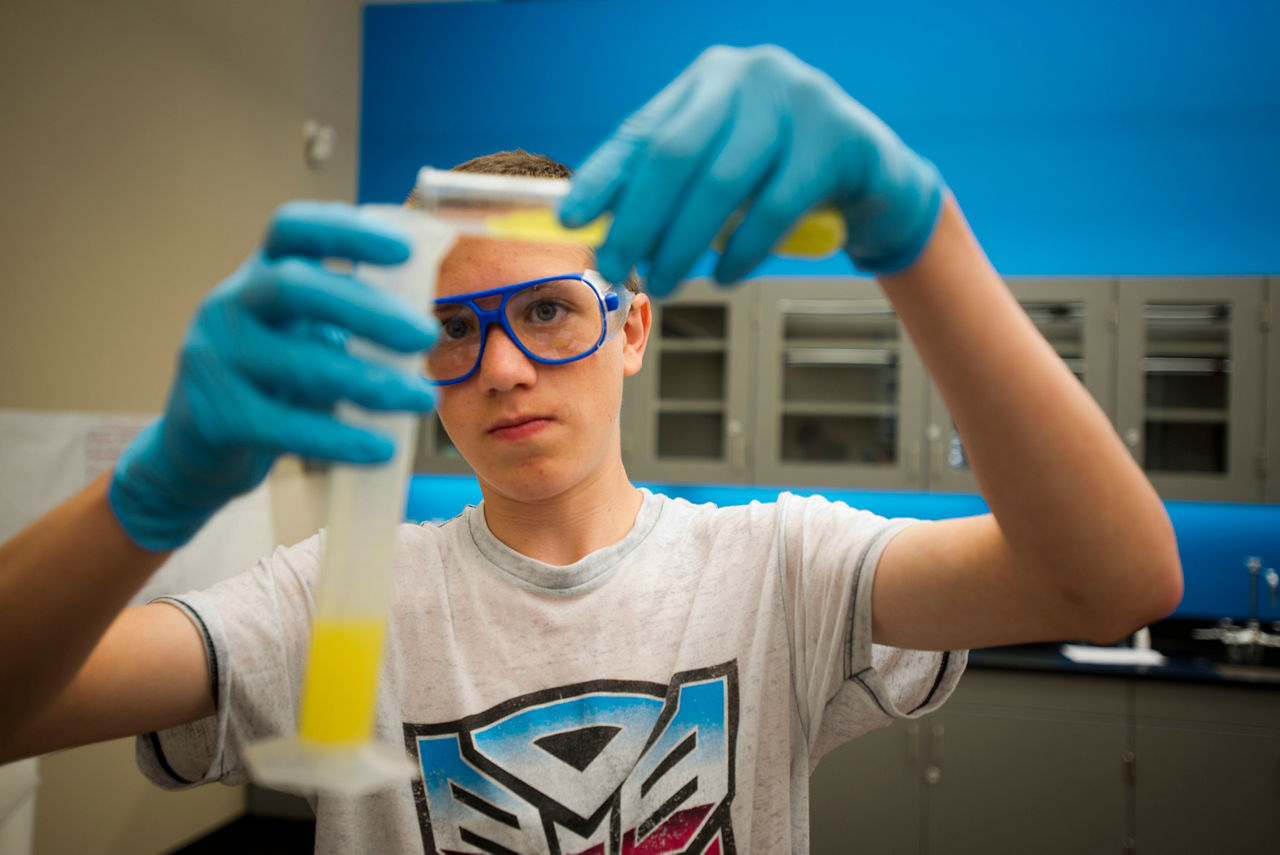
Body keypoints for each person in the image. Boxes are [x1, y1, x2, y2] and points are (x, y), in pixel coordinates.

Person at [0, 45, 1181, 854]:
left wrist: (913, 231)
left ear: (630, 329)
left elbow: (1112, 582)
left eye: (547, 313)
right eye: (451, 333)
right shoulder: (334, 603)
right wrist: (149, 492)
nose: (501, 369)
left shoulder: (780, 565)